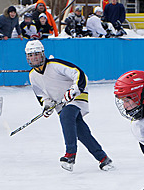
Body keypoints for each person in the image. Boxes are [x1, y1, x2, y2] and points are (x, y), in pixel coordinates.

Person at [25, 40, 114, 172]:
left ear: (43, 54)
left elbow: (79, 73)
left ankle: (70, 155)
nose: (34, 57)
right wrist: (46, 105)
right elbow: (42, 95)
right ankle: (103, 158)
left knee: (66, 116)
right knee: (81, 132)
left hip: (77, 96)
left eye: (37, 54)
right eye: (31, 55)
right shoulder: (33, 76)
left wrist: (74, 90)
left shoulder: (55, 65)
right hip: (61, 104)